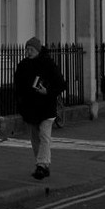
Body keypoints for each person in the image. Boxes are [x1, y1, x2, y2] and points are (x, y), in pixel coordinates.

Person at [14, 37, 66, 180]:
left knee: (44, 136)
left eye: (31, 50)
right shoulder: (23, 65)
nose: (28, 52)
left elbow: (61, 84)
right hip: (31, 108)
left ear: (38, 50)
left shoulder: (48, 64)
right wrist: (21, 100)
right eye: (27, 49)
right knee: (35, 139)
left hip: (46, 107)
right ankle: (43, 166)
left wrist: (47, 91)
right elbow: (18, 85)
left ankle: (41, 165)